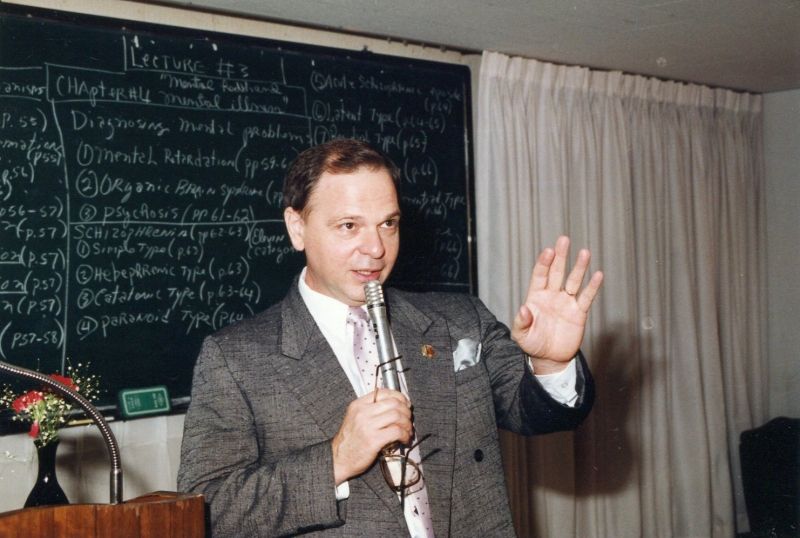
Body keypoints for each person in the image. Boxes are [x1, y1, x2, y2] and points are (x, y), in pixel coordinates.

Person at [178, 138, 604, 537]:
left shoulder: (460, 320)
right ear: (297, 227)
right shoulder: (234, 358)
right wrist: (334, 460)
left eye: (388, 223)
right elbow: (208, 512)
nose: (376, 248)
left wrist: (551, 363)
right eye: (349, 225)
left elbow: (536, 413)